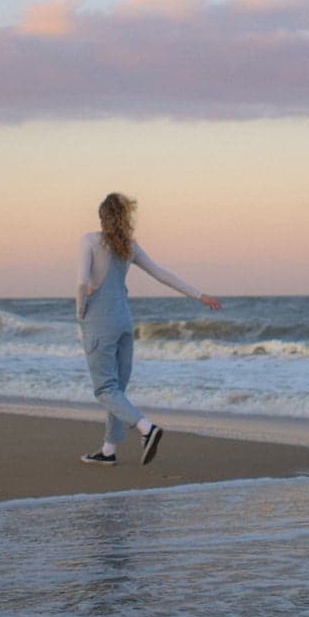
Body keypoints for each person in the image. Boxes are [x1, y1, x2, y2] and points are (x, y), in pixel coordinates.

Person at [76, 192, 221, 466]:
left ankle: (146, 428)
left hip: (100, 323)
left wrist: (80, 312)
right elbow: (161, 274)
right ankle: (108, 451)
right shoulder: (128, 246)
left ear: (101, 216)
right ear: (125, 217)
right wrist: (199, 295)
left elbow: (82, 282)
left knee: (105, 390)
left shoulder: (89, 241)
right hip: (124, 322)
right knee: (117, 388)